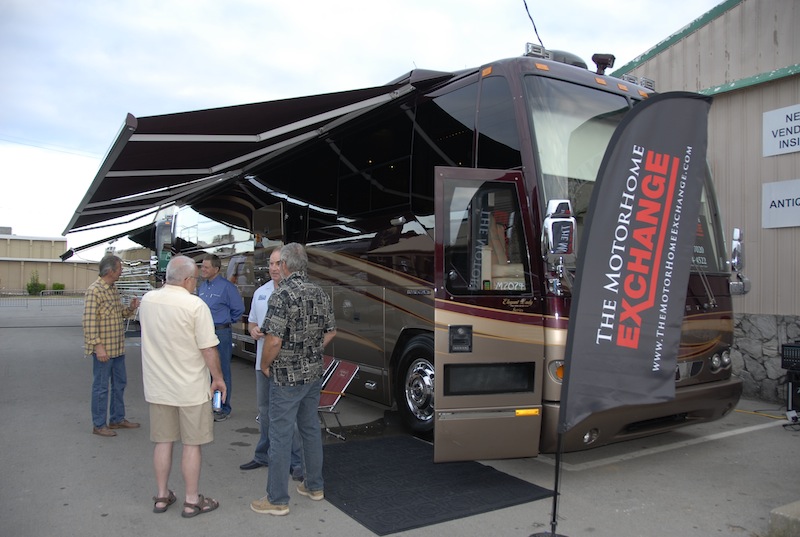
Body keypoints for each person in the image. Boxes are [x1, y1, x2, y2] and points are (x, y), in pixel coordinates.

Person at [250, 243, 336, 516]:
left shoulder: (282, 295)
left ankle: (277, 499)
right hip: (312, 374)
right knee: (310, 429)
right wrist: (311, 350)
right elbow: (332, 331)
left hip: (286, 377)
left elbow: (273, 341)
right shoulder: (319, 292)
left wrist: (265, 364)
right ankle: (314, 486)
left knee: (280, 434)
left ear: (285, 265)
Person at [139, 255, 226, 518]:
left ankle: (162, 497)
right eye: (195, 280)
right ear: (187, 280)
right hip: (190, 388)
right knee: (191, 445)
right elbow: (208, 348)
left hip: (158, 386)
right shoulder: (195, 306)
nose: (196, 285)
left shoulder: (147, 300)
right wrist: (218, 379)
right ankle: (191, 501)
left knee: (163, 441)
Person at [239, 246, 304, 480]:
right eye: (271, 264)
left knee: (290, 416)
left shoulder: (296, 293)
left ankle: (297, 461)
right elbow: (251, 323)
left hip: (287, 366)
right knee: (265, 412)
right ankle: (263, 454)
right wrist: (254, 330)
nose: (274, 268)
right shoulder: (261, 293)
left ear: (287, 264)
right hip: (262, 364)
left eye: (278, 263)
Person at [82, 254, 140, 437]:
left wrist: (131, 308)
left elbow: (119, 313)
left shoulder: (112, 288)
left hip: (117, 349)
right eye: (120, 268)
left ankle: (117, 419)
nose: (121, 271)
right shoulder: (95, 291)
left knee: (119, 384)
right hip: (104, 351)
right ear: (111, 271)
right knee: (101, 387)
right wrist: (98, 347)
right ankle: (99, 424)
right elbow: (89, 322)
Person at [198, 253, 245, 421]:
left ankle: (221, 407)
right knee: (204, 370)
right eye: (202, 266)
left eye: (206, 267)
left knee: (220, 370)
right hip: (203, 332)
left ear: (216, 269)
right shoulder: (202, 287)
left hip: (220, 333)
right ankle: (207, 404)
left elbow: (238, 309)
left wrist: (224, 322)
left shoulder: (227, 287)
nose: (202, 269)